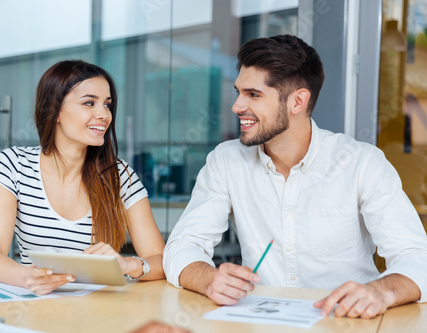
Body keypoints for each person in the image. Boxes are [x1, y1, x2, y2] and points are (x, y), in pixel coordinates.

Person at [163, 35, 427, 319]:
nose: (237, 106)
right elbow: (182, 246)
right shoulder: (226, 161)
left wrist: (381, 291)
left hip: (346, 322)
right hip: (260, 321)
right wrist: (208, 279)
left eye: (253, 94)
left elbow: (416, 257)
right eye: (238, 91)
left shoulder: (362, 163)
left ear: (298, 101)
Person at [0, 60, 165, 294]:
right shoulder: (14, 164)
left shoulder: (119, 175)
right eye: (89, 103)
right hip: (36, 306)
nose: (104, 115)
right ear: (55, 110)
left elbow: (161, 260)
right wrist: (27, 277)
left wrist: (128, 264)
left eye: (107, 105)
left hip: (99, 313)